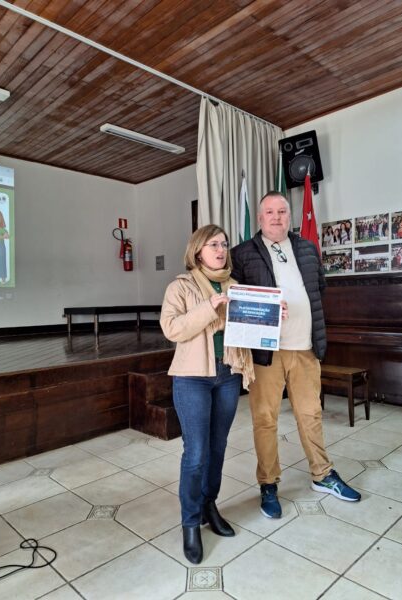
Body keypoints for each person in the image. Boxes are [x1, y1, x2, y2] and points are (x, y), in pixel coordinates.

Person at [231, 191, 361, 519]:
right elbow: (236, 301)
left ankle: (322, 474)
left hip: (305, 348)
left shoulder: (306, 248)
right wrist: (267, 310)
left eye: (282, 211)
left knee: (311, 414)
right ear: (259, 218)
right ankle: (268, 483)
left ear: (289, 216)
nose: (276, 217)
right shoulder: (242, 253)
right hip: (267, 354)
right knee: (265, 419)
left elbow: (319, 289)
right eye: (269, 212)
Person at [160, 224, 254, 564]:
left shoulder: (236, 286)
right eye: (213, 244)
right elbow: (172, 328)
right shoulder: (180, 286)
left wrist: (273, 316)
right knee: (196, 453)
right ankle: (190, 523)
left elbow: (249, 327)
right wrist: (209, 307)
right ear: (197, 251)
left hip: (227, 374)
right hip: (192, 378)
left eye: (224, 244)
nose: (221, 250)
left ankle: (208, 505)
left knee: (217, 448)